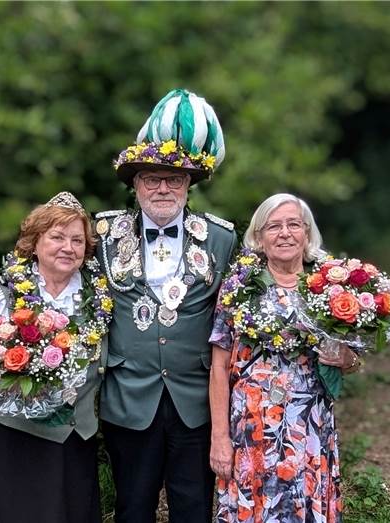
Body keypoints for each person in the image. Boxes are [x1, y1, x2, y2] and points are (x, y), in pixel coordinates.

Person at [96, 88, 237, 522]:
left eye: (173, 179)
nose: (162, 188)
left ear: (188, 186)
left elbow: (234, 315)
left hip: (194, 398)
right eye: (151, 179)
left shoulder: (221, 237)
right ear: (135, 184)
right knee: (132, 507)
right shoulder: (102, 235)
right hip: (129, 396)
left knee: (193, 507)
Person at [0, 191, 111, 523]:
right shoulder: (0, 298)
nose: (68, 247)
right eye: (57, 237)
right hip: (9, 436)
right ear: (34, 242)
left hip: (71, 439)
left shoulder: (100, 302)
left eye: (77, 240)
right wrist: (10, 388)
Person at [208, 193, 360, 522]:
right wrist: (219, 437)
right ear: (259, 238)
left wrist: (345, 359)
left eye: (294, 224)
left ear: (307, 233)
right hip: (251, 424)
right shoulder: (238, 285)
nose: (285, 233)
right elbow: (219, 365)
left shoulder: (329, 285)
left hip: (309, 423)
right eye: (274, 226)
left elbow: (351, 360)